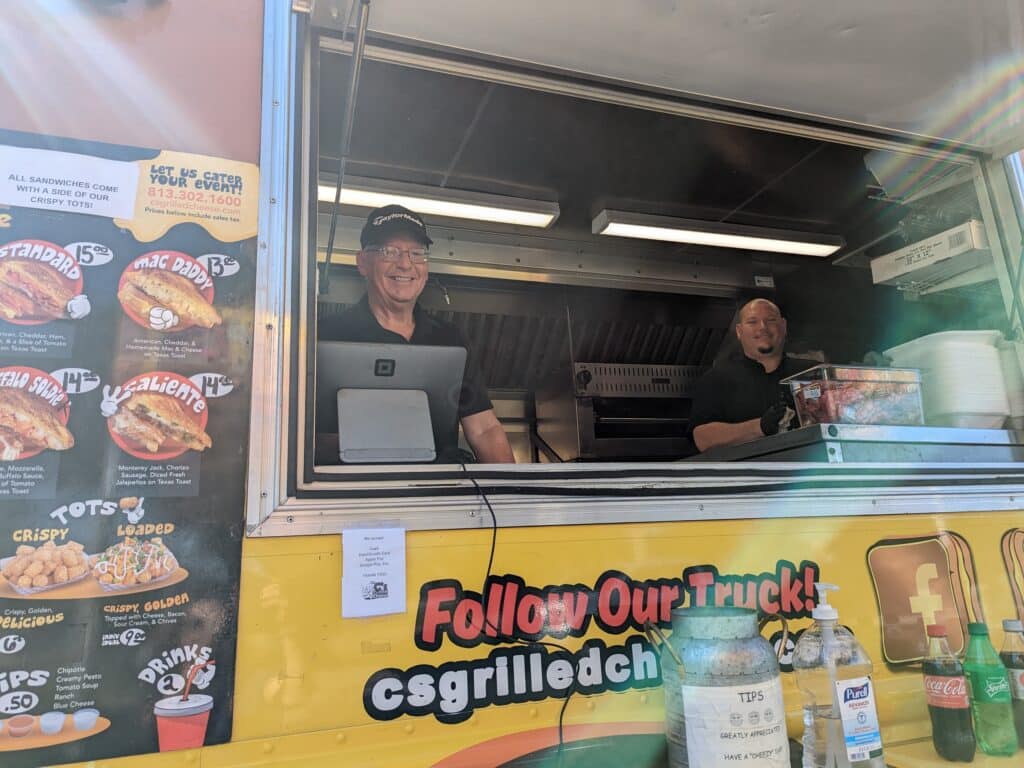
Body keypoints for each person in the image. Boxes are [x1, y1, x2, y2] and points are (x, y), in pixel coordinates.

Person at [318, 204, 515, 464]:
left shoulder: (450, 339)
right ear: (363, 262)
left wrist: (512, 492)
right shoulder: (325, 335)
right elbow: (301, 437)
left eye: (417, 253)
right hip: (353, 496)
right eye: (389, 252)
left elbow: (484, 429)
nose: (405, 264)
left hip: (435, 497)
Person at [690, 298, 816, 452]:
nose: (762, 327)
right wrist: (760, 426)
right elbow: (703, 438)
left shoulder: (812, 373)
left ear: (784, 326)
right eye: (752, 322)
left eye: (770, 320)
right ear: (739, 331)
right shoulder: (716, 379)